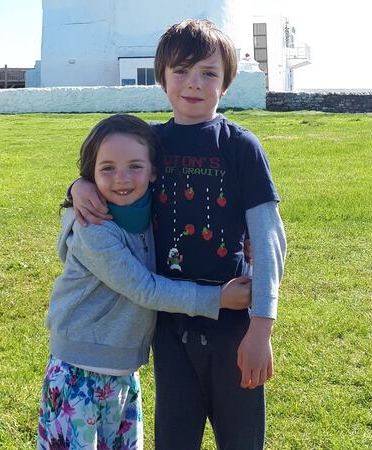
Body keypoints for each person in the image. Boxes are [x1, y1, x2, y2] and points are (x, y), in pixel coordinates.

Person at [70, 20, 287, 450]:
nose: (194, 83)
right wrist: (78, 186)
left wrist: (262, 327)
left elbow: (268, 239)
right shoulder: (150, 142)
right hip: (170, 327)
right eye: (181, 70)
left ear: (226, 83)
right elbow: (109, 171)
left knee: (242, 439)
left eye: (208, 73)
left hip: (234, 322)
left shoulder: (241, 146)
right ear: (162, 77)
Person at [39, 114, 253, 450]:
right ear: (91, 175)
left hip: (123, 371)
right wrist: (218, 298)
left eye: (135, 167)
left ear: (154, 171)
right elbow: (145, 288)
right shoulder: (94, 229)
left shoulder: (153, 212)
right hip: (77, 371)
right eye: (106, 168)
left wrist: (245, 229)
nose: (121, 178)